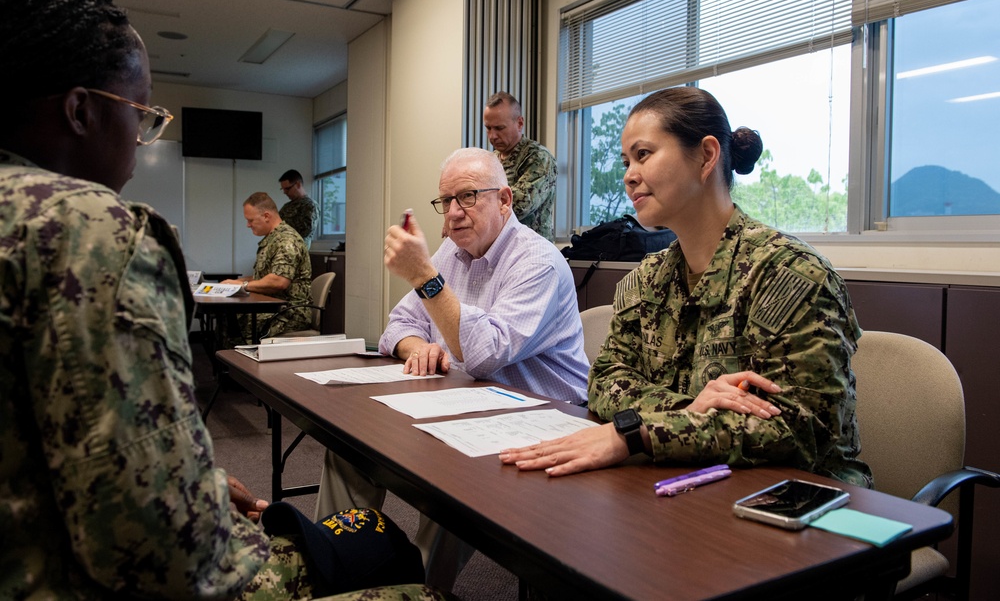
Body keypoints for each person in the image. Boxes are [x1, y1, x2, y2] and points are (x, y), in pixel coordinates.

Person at [0, 0, 443, 601]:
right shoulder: (91, 231)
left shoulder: (286, 238)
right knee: (384, 552)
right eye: (142, 115)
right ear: (78, 112)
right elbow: (166, 548)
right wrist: (203, 491)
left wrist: (195, 477)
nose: (141, 138)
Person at [500, 87, 872, 489]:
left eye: (643, 155)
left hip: (805, 502)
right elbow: (604, 381)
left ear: (707, 156)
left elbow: (802, 429)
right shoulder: (645, 279)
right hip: (689, 482)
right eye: (626, 161)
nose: (628, 175)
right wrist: (689, 411)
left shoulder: (791, 275)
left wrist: (638, 432)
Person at [316, 147, 590, 588]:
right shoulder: (450, 253)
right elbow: (397, 326)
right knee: (349, 448)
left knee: (450, 482)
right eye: (446, 201)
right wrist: (417, 347)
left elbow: (484, 355)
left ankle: (417, 591)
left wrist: (425, 277)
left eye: (467, 197)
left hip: (543, 417)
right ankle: (328, 569)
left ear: (505, 200)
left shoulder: (537, 261)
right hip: (471, 401)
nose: (454, 214)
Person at [222, 192, 313, 340]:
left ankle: (242, 362)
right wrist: (234, 283)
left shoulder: (286, 240)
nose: (248, 225)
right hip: (272, 307)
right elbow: (263, 277)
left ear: (266, 216)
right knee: (228, 318)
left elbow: (278, 281)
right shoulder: (273, 238)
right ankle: (229, 361)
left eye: (250, 220)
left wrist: (242, 286)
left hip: (289, 313)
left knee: (238, 322)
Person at [483, 92, 556, 241]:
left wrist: (473, 206)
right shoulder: (491, 159)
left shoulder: (538, 157)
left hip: (531, 249)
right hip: (498, 250)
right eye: (488, 128)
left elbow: (518, 204)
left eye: (499, 128)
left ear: (520, 123)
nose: (492, 136)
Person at [278, 168, 319, 249]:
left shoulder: (310, 205)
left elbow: (305, 230)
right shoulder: (286, 206)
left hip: (297, 252)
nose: (285, 192)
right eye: (283, 189)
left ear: (298, 184)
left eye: (287, 189)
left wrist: (283, 228)